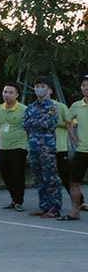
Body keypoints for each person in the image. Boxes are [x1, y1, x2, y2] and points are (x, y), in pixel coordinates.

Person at [21, 77, 62, 218]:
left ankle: (55, 207)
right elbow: (24, 124)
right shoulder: (31, 106)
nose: (39, 88)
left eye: (42, 86)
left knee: (51, 178)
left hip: (47, 147)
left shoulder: (52, 106)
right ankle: (44, 206)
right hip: (34, 147)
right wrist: (36, 122)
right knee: (38, 178)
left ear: (49, 89)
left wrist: (34, 122)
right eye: (37, 85)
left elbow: (46, 123)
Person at [0, 83, 27, 211]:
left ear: (17, 95)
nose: (6, 95)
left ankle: (19, 200)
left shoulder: (24, 109)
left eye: (10, 92)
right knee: (5, 172)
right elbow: (0, 124)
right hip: (3, 146)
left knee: (17, 174)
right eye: (5, 92)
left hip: (19, 146)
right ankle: (13, 198)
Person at [61, 75, 88, 221]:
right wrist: (73, 136)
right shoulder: (76, 105)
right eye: (84, 85)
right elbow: (68, 121)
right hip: (82, 150)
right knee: (74, 182)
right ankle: (74, 211)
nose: (86, 88)